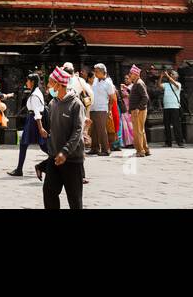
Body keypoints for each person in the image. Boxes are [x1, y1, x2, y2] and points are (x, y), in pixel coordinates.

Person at [39, 65, 85, 209]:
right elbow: (54, 131)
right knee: (49, 192)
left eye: (50, 82)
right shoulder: (53, 103)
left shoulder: (76, 104)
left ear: (59, 84)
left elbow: (78, 131)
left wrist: (65, 151)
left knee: (74, 199)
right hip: (54, 158)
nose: (48, 86)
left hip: (71, 158)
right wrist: (45, 162)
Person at [9, 72, 47, 176]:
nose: (26, 82)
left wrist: (40, 128)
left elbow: (37, 113)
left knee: (43, 146)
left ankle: (59, 161)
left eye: (28, 81)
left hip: (34, 121)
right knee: (25, 144)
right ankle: (19, 169)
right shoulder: (36, 92)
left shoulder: (35, 95)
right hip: (33, 120)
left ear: (32, 82)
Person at [88, 63, 117, 156]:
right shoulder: (95, 80)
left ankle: (106, 149)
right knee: (94, 130)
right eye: (95, 71)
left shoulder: (108, 82)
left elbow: (113, 97)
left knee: (101, 129)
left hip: (102, 108)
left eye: (96, 71)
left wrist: (109, 109)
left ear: (102, 72)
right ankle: (94, 148)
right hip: (93, 108)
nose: (95, 73)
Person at [127, 66, 151, 156]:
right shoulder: (136, 83)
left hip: (138, 111)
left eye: (131, 73)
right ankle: (145, 149)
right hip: (137, 110)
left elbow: (145, 97)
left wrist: (138, 108)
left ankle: (140, 151)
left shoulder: (139, 83)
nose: (130, 75)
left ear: (136, 74)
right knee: (141, 130)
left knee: (138, 131)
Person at [160, 68, 184, 148]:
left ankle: (180, 142)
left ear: (176, 76)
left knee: (176, 125)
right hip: (166, 107)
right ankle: (168, 142)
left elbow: (175, 85)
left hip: (175, 107)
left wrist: (167, 76)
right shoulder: (166, 85)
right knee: (166, 125)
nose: (171, 75)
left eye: (173, 74)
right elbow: (159, 85)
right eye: (171, 74)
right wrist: (161, 77)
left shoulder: (178, 84)